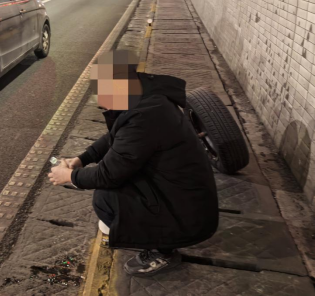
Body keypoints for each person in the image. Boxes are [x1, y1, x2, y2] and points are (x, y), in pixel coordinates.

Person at [48, 50, 218, 277]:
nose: (98, 96)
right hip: (182, 193)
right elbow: (118, 136)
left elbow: (107, 175)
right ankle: (152, 232)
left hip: (188, 215)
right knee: (113, 192)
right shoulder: (146, 99)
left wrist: (69, 177)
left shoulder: (144, 116)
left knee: (106, 199)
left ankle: (163, 251)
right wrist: (82, 158)